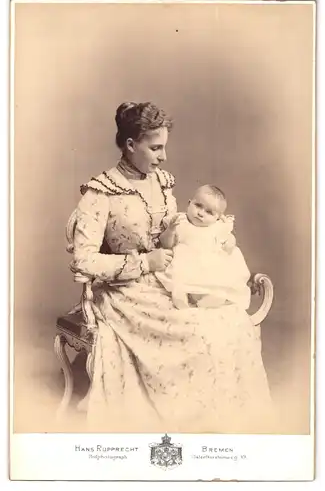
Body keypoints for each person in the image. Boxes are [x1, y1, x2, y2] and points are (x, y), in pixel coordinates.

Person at [70, 101, 273, 433]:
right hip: (124, 292)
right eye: (156, 147)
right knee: (195, 330)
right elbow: (83, 259)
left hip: (168, 277)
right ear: (130, 144)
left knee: (226, 319)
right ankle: (181, 420)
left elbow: (179, 231)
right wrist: (143, 262)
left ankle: (217, 419)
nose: (163, 156)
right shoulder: (99, 193)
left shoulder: (162, 181)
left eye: (165, 146)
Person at [156, 184, 251, 310]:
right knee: (179, 283)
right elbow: (166, 244)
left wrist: (230, 241)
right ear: (189, 203)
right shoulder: (180, 222)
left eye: (209, 212)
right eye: (198, 206)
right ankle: (181, 299)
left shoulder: (217, 227)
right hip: (185, 264)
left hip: (208, 266)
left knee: (216, 284)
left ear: (217, 217)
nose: (201, 213)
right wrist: (171, 230)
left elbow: (229, 242)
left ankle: (209, 300)